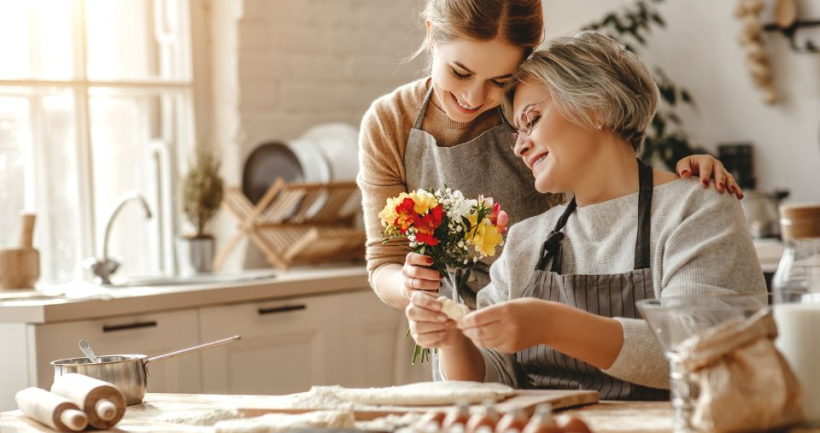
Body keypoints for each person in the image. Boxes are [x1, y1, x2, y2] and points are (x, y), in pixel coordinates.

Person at [404, 31, 767, 399]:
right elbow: (491, 380)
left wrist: (551, 324)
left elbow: (704, 349)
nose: (519, 146)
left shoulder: (695, 208)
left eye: (532, 119)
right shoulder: (526, 241)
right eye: (516, 131)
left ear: (597, 107)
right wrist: (452, 340)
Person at [357, 0, 742, 312]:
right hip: (460, 333)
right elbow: (383, 262)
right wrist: (412, 286)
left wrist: (680, 184)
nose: (474, 98)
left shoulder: (534, 109)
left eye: (499, 81)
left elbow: (607, 192)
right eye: (459, 73)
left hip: (549, 321)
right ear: (431, 37)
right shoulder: (390, 123)